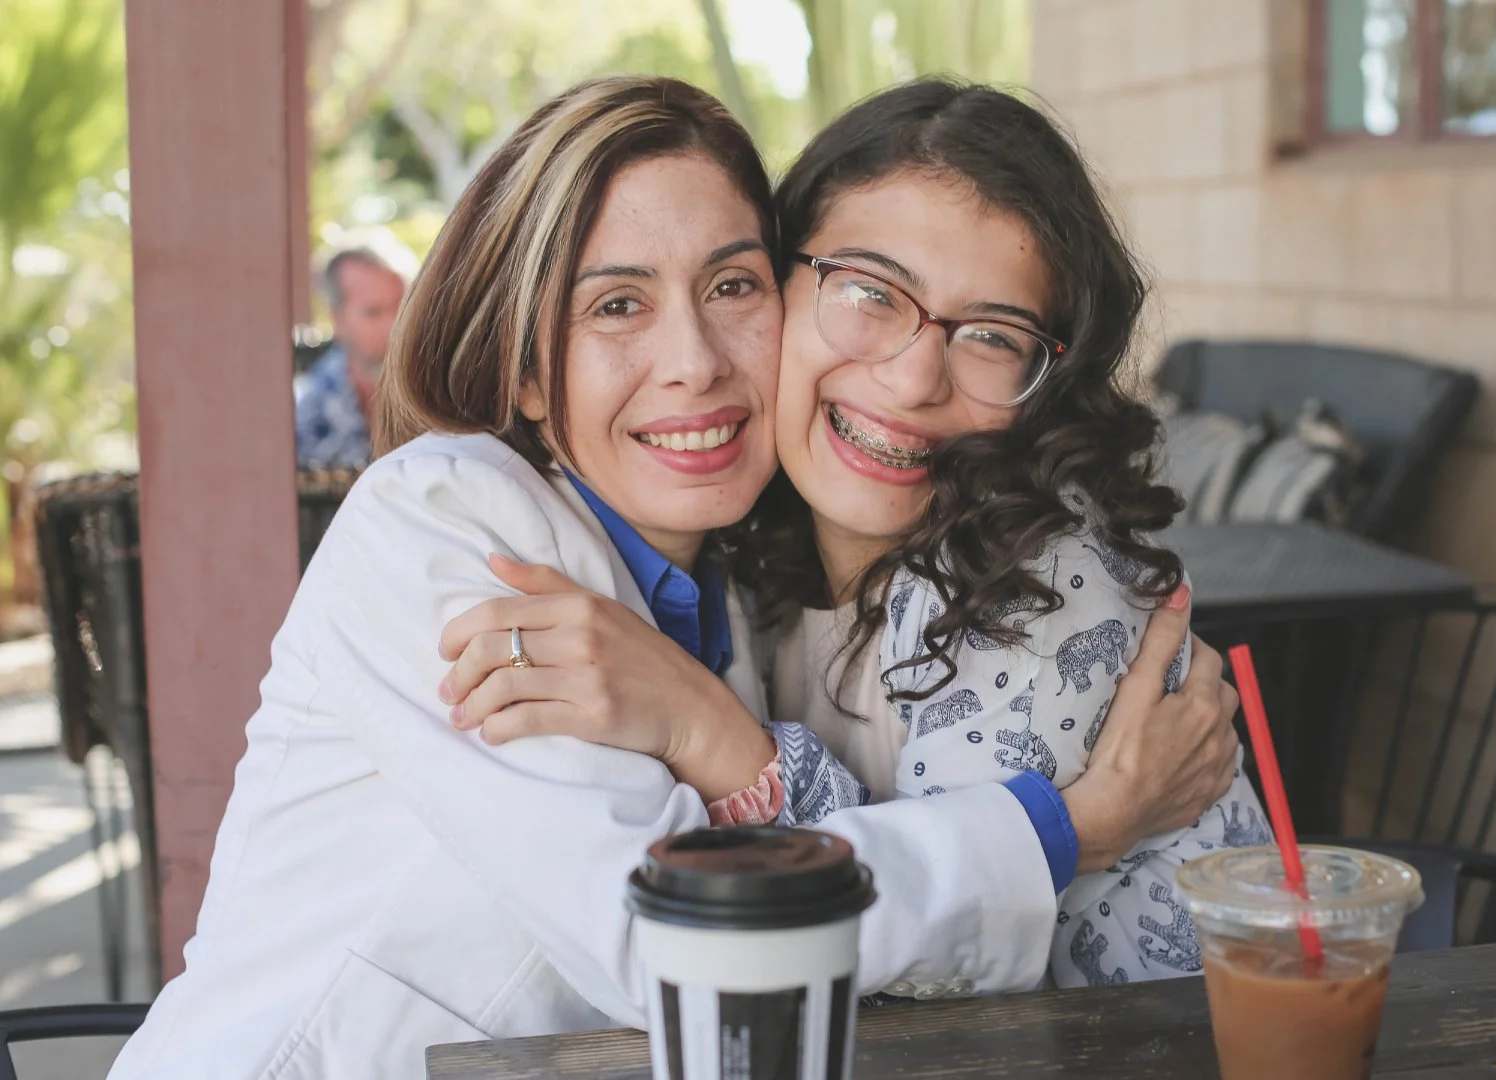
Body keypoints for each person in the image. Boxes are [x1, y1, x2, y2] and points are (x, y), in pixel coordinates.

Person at [108, 77, 1236, 1080]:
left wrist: (709, 720)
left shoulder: (739, 599)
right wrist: (1068, 828)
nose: (692, 359)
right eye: (616, 305)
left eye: (732, 286)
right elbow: (669, 937)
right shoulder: (448, 526)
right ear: (528, 369)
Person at [438, 80, 1266, 990]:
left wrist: (717, 738)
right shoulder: (746, 566)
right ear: (774, 291)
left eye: (992, 335)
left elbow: (913, 965)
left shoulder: (1033, 585)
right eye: (872, 292)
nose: (913, 380)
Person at [294, 247, 406, 467]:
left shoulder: (447, 395)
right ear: (338, 320)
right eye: (374, 312)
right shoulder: (310, 413)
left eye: (402, 308)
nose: (393, 326)